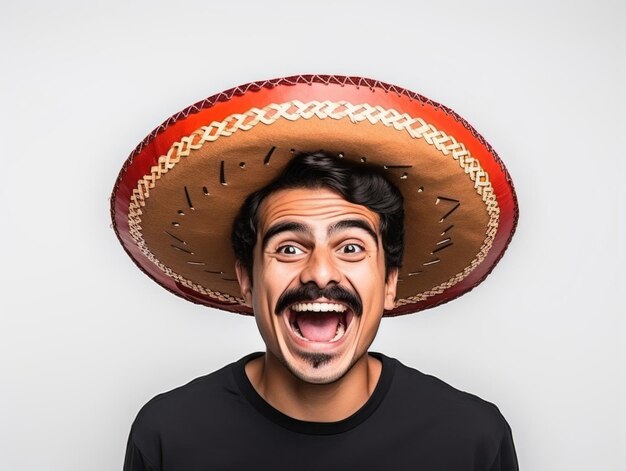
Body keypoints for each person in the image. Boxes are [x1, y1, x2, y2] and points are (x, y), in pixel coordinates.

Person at [112, 75, 519, 470]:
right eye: (289, 248)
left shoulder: (471, 440)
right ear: (248, 281)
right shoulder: (169, 435)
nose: (321, 273)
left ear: (390, 282)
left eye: (351, 248)